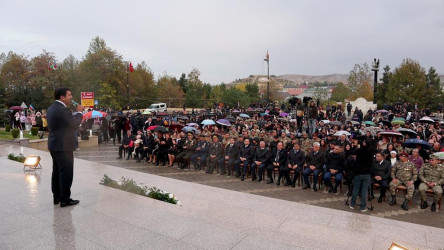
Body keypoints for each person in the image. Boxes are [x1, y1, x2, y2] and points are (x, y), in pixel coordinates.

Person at [47, 87, 83, 207]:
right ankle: (65, 199)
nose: (71, 97)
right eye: (69, 95)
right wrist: (79, 113)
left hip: (54, 144)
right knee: (66, 172)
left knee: (57, 171)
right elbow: (74, 125)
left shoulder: (51, 108)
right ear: (62, 97)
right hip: (64, 146)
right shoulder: (63, 110)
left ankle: (56, 197)